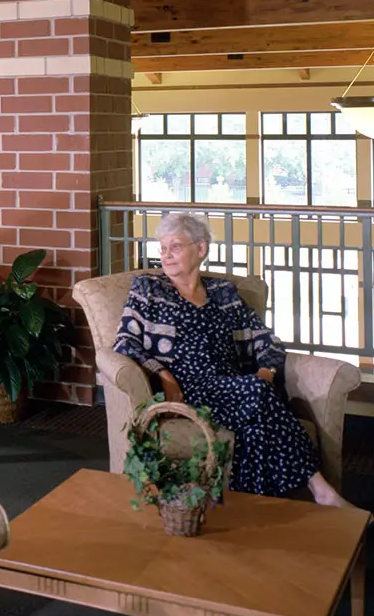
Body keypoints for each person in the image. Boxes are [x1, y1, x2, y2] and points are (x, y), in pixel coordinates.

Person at [112, 211, 350, 506]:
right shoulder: (148, 289)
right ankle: (319, 489)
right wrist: (165, 375)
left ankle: (249, 503)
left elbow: (268, 341)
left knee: (256, 419)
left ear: (200, 249)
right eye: (162, 248)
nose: (166, 255)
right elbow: (125, 342)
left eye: (175, 246)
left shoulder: (223, 294)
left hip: (229, 386)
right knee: (258, 395)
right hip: (186, 389)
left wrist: (266, 371)